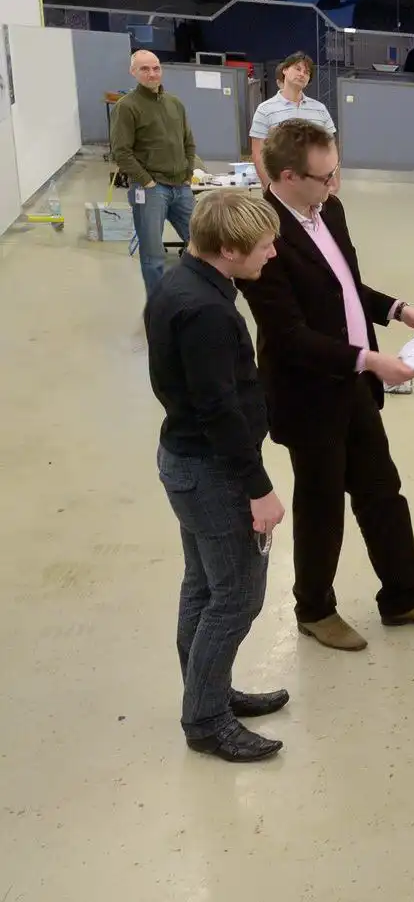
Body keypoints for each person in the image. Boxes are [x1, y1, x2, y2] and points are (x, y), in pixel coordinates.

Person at [237, 118, 414, 652]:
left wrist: (398, 310)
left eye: (335, 171)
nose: (334, 184)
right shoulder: (261, 237)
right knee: (321, 506)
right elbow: (289, 336)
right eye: (325, 177)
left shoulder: (329, 210)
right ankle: (314, 609)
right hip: (308, 395)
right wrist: (371, 360)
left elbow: (343, 285)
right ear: (288, 177)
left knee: (382, 491)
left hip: (353, 384)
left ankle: (403, 596)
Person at [144, 188, 289, 764]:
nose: (272, 253)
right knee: (237, 598)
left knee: (204, 587)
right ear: (228, 249)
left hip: (186, 460)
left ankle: (207, 692)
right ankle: (205, 721)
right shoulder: (207, 311)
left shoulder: (182, 283)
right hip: (213, 472)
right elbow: (218, 410)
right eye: (264, 246)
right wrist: (259, 488)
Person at [112, 49, 199, 300]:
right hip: (150, 190)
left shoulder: (175, 103)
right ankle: (159, 307)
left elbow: (188, 142)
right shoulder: (126, 107)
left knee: (202, 242)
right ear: (133, 72)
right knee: (153, 256)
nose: (152, 73)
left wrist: (187, 174)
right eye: (145, 69)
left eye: (156, 68)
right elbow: (121, 152)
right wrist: (147, 181)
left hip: (181, 187)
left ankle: (197, 297)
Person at [248, 52, 337, 192]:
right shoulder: (265, 109)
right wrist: (271, 188)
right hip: (280, 184)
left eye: (307, 72)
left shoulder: (320, 109)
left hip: (314, 186)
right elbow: (258, 153)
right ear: (285, 70)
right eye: (297, 69)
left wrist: (334, 181)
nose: (302, 74)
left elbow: (331, 147)